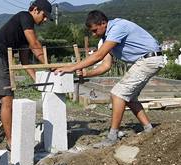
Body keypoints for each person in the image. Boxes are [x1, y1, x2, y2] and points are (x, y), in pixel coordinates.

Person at [55, 10, 165, 147]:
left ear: (103, 23)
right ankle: (149, 129)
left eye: (95, 30)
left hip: (150, 59)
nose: (94, 34)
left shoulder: (118, 27)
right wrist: (86, 73)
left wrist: (71, 67)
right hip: (144, 61)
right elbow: (106, 65)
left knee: (118, 94)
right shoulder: (106, 39)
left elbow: (98, 56)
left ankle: (112, 137)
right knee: (129, 97)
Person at [0, 0, 52, 150]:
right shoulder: (25, 17)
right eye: (44, 16)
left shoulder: (25, 30)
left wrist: (37, 80)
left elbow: (24, 61)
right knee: (7, 100)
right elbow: (35, 45)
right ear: (35, 10)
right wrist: (49, 66)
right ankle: (11, 141)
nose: (45, 20)